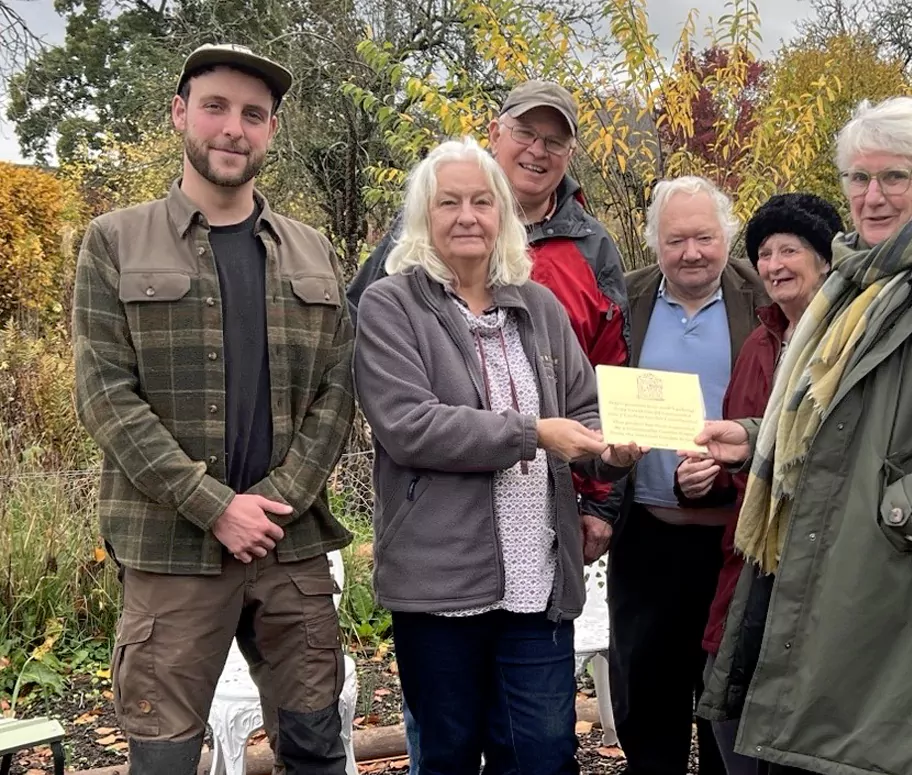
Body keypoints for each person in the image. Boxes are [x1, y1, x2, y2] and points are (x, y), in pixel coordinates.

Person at [695, 96, 912, 775]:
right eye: (857, 177)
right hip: (829, 581)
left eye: (893, 177)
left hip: (896, 589)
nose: (871, 196)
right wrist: (754, 435)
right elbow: (838, 419)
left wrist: (894, 513)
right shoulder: (858, 280)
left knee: (882, 755)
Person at [72, 43, 354, 774]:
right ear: (179, 114)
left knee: (317, 748)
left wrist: (273, 499)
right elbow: (106, 396)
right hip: (170, 552)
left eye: (253, 115)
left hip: (289, 549)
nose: (234, 128)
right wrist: (213, 505)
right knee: (163, 758)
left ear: (271, 131)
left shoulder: (314, 252)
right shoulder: (114, 242)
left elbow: (337, 391)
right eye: (216, 107)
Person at [352, 137, 644, 775]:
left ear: (503, 214)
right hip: (440, 587)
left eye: (482, 201)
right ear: (423, 217)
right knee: (448, 755)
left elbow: (585, 410)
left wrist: (611, 453)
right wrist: (534, 433)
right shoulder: (390, 305)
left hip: (536, 585)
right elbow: (410, 426)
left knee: (543, 755)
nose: (467, 216)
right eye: (448, 202)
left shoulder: (538, 307)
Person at [347, 78, 629, 556]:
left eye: (554, 140)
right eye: (525, 132)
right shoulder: (414, 242)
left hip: (543, 526)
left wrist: (601, 500)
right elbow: (367, 348)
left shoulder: (592, 248)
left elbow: (608, 375)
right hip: (439, 532)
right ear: (496, 132)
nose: (537, 150)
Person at [675, 193, 842, 775]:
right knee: (730, 701)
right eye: (764, 253)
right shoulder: (760, 343)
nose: (773, 265)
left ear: (825, 258)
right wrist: (703, 478)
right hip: (747, 557)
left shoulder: (846, 344)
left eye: (789, 250)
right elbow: (736, 459)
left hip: (822, 562)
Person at [608, 176, 770, 775]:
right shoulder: (627, 300)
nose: (692, 252)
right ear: (656, 244)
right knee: (646, 691)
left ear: (726, 237)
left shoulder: (763, 298)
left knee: (726, 694)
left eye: (704, 236)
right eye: (676, 240)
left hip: (736, 538)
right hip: (647, 532)